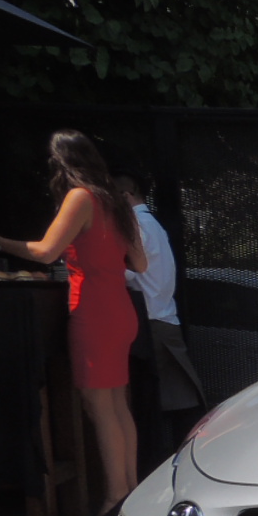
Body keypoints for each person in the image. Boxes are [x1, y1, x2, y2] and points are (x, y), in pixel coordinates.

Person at [0, 130, 145, 516]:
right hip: (120, 309)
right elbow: (141, 264)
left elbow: (45, 251)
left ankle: (115, 497)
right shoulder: (117, 201)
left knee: (100, 407)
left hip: (93, 310)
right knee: (117, 404)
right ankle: (130, 491)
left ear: (60, 163)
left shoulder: (81, 197)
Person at [109, 167, 206, 439]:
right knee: (178, 397)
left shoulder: (136, 226)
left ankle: (174, 455)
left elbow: (134, 272)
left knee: (160, 400)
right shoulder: (152, 224)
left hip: (151, 320)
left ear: (125, 195)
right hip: (161, 316)